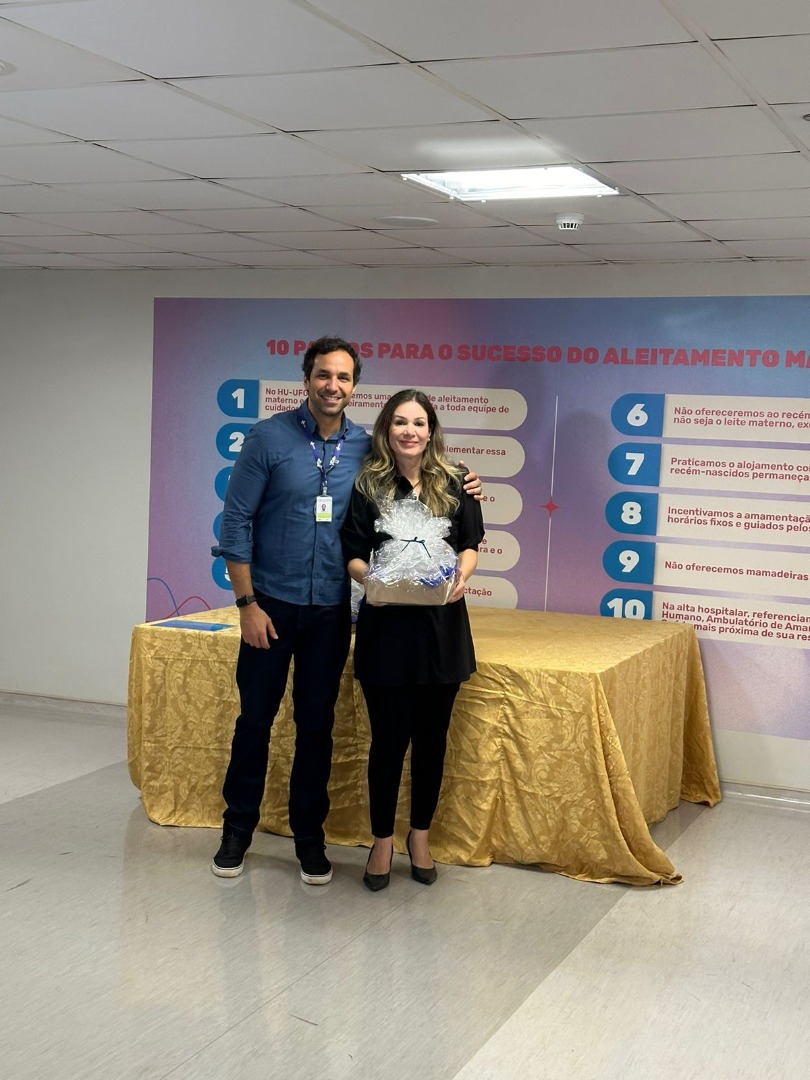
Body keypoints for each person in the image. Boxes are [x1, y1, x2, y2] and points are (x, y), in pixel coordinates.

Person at [211, 339, 481, 885]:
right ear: (306, 378)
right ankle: (236, 832)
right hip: (271, 606)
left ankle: (309, 841)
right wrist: (246, 604)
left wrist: (467, 478)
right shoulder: (267, 437)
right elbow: (235, 523)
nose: (332, 386)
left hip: (330, 613)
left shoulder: (365, 449)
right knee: (255, 722)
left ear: (355, 385)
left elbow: (421, 470)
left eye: (343, 377)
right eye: (323, 375)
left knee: (316, 727)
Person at [341, 389, 485, 892]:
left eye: (418, 423)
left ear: (431, 431)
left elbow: (470, 543)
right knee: (387, 742)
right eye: (400, 422)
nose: (409, 431)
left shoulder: (457, 481)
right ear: (387, 429)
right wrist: (371, 584)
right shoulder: (368, 485)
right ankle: (382, 840)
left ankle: (419, 837)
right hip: (386, 630)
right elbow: (352, 551)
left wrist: (461, 579)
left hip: (442, 630)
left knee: (431, 742)